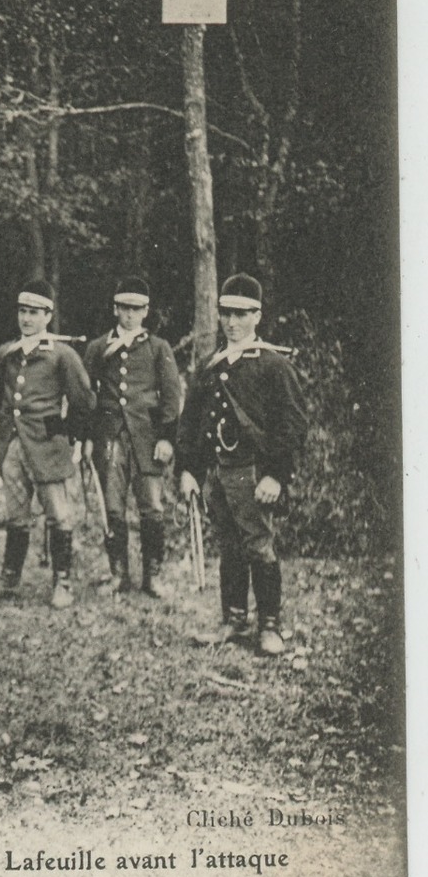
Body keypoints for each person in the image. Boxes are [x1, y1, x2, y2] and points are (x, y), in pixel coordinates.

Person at [177, 274, 308, 654]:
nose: (232, 323)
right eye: (225, 314)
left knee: (259, 546)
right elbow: (193, 422)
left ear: (257, 316)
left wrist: (276, 475)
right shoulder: (210, 365)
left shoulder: (272, 365)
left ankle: (269, 626)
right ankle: (233, 620)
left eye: (241, 314)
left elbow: (293, 424)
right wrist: (189, 470)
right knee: (229, 546)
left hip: (253, 473)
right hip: (219, 473)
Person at [0, 279, 94, 608]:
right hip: (13, 447)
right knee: (16, 515)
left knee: (59, 515)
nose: (26, 319)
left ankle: (63, 582)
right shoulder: (7, 353)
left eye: (34, 313)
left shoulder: (62, 355)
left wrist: (63, 433)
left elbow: (84, 401)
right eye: (23, 312)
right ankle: (9, 580)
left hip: (47, 448)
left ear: (48, 315)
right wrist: (2, 435)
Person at [82, 276, 184, 597]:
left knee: (152, 508)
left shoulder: (158, 348)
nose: (129, 315)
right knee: (112, 507)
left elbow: (171, 396)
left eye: (136, 309)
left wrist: (167, 437)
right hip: (110, 439)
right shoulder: (98, 348)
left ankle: (152, 576)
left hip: (147, 440)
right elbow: (86, 397)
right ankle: (119, 575)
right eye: (124, 308)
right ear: (115, 309)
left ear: (146, 311)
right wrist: (86, 437)